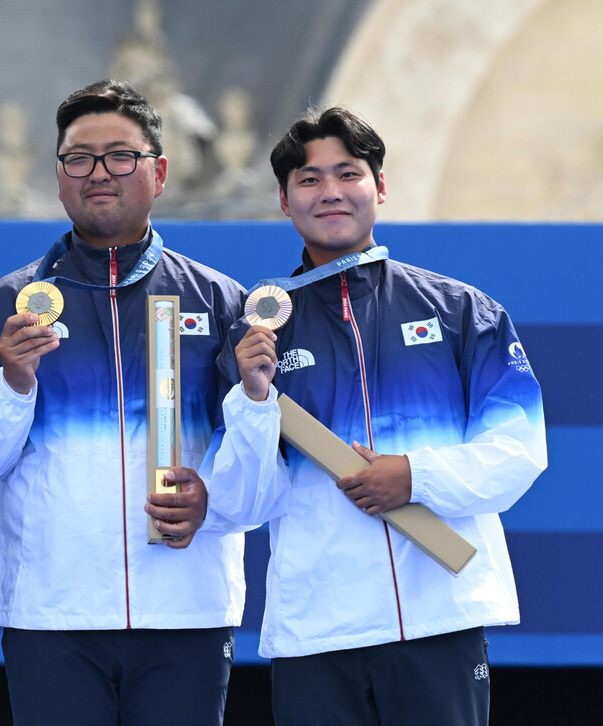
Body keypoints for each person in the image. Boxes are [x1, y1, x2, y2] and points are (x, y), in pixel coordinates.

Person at [207, 107, 547, 725]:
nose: (331, 191)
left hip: (441, 615)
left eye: (349, 173)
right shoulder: (257, 334)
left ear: (380, 186)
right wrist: (255, 398)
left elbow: (520, 452)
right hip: (317, 627)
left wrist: (415, 476)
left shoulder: (462, 311)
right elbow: (242, 501)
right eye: (309, 180)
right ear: (284, 200)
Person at [0, 79, 246, 726]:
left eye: (120, 156)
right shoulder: (4, 307)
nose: (99, 173)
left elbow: (258, 453)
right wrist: (15, 382)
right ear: (58, 176)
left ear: (160, 171)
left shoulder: (223, 305)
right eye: (79, 158)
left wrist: (212, 496)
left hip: (186, 611)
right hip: (52, 619)